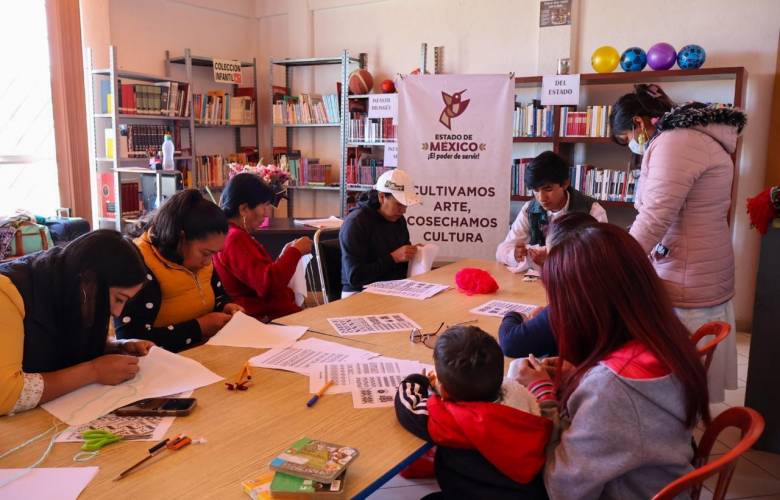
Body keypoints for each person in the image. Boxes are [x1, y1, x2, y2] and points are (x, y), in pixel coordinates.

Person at [515, 223, 710, 500]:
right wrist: (581, 374)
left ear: (583, 307)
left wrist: (543, 393)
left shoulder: (609, 389)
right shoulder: (668, 341)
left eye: (557, 303)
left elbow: (563, 490)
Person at [610, 83, 747, 402]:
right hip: (698, 263)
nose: (632, 146)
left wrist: (616, 263)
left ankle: (676, 427)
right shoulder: (693, 137)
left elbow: (655, 216)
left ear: (639, 122)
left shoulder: (675, 143)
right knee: (689, 376)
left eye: (628, 139)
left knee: (679, 379)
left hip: (687, 272)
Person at [0, 230, 153, 416]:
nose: (117, 312)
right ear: (88, 281)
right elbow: (7, 394)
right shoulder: (6, 292)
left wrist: (115, 346)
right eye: (118, 299)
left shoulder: (69, 284)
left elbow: (51, 343)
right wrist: (94, 371)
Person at [395, 325, 552, 499]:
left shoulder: (453, 419)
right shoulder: (521, 396)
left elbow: (409, 408)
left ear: (444, 391)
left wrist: (418, 381)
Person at [115, 189, 242, 352]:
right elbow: (131, 339)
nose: (208, 262)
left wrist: (226, 306)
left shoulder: (200, 261)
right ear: (181, 238)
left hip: (203, 352)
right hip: (165, 362)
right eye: (205, 253)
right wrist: (199, 328)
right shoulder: (140, 264)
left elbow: (218, 296)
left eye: (214, 254)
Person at [498, 212, 598, 359]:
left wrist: (514, 315)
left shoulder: (574, 304)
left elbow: (510, 343)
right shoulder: (601, 285)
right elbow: (502, 250)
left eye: (550, 254)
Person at [214, 173, 312, 320]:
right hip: (264, 318)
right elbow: (268, 284)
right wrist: (295, 251)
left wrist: (284, 257)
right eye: (264, 206)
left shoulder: (229, 233)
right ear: (244, 209)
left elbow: (258, 276)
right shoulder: (235, 238)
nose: (266, 213)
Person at [496, 151, 607, 269]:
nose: (541, 198)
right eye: (535, 190)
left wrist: (552, 260)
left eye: (548, 189)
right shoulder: (530, 209)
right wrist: (514, 255)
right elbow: (502, 251)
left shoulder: (592, 210)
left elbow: (599, 258)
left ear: (565, 184)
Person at [340, 169, 421, 296]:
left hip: (393, 288)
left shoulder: (398, 219)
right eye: (399, 204)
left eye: (406, 205)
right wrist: (394, 258)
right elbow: (355, 277)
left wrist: (414, 254)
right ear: (382, 197)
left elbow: (401, 262)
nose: (403, 211)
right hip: (359, 292)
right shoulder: (356, 222)